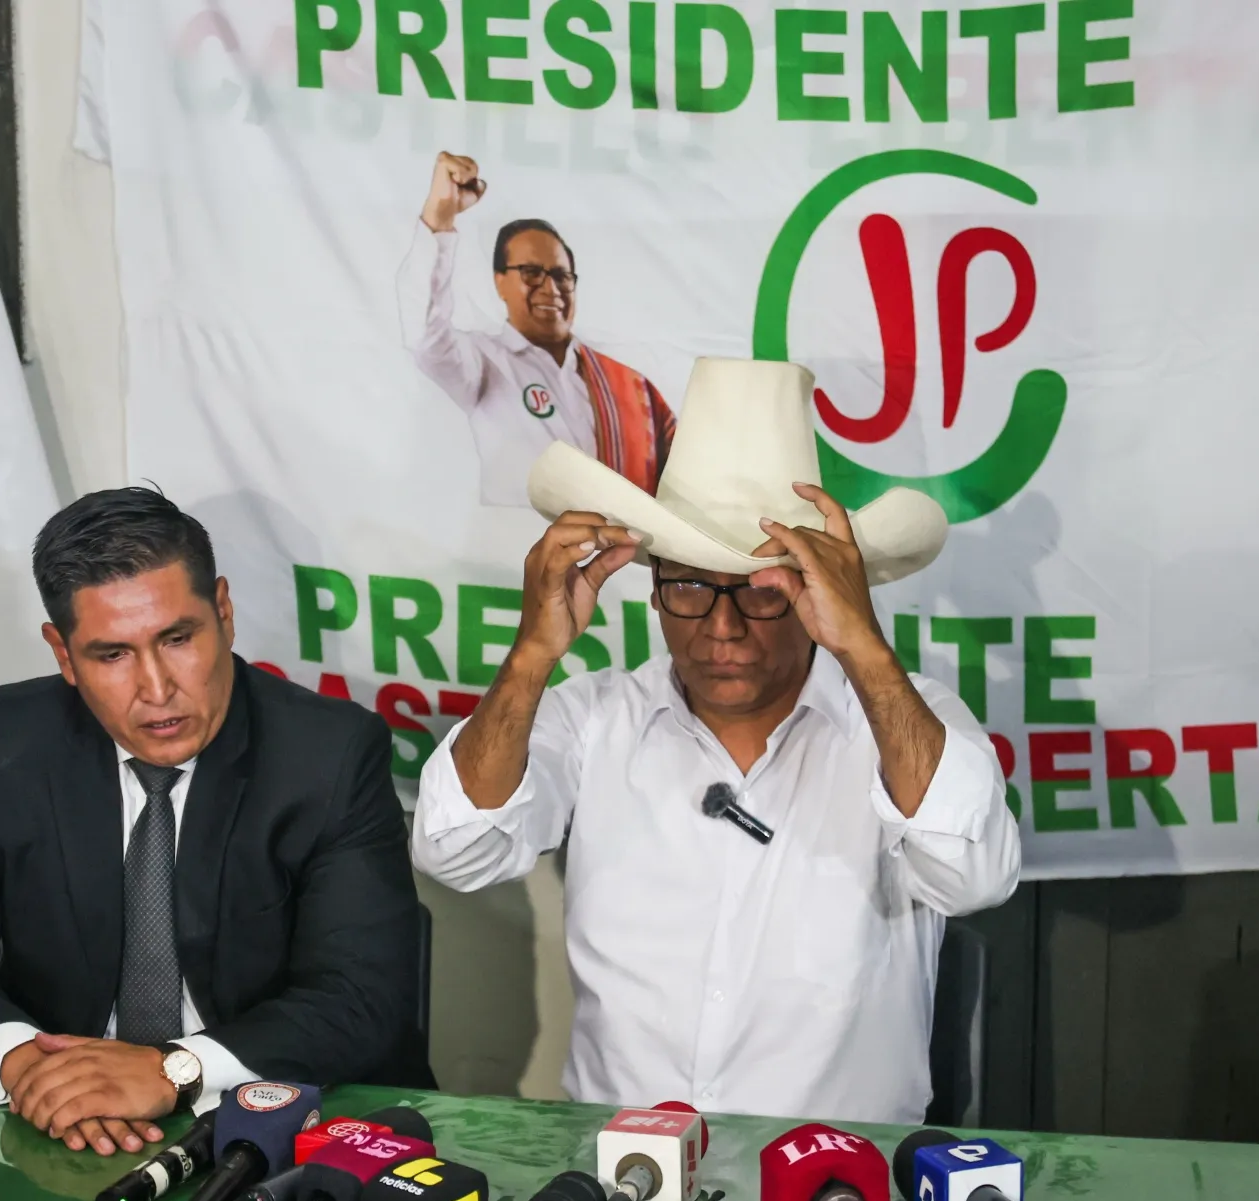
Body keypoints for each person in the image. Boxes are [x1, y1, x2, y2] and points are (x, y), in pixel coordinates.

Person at [411, 357, 1020, 1124]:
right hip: (622, 1188)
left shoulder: (906, 722)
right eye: (689, 586)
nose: (722, 628)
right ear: (654, 582)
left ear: (821, 593)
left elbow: (975, 877)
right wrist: (533, 653)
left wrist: (863, 647)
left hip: (839, 1197)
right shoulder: (596, 716)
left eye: (764, 592)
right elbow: (454, 847)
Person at [0, 487, 429, 1157]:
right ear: (63, 654)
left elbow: (362, 997)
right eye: (113, 655)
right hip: (67, 1130)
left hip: (283, 1128)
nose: (158, 688)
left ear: (222, 611)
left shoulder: (330, 754)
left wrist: (171, 1069)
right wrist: (30, 1067)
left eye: (177, 638)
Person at [398, 150, 677, 508]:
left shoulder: (623, 385)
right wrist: (439, 220)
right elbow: (424, 334)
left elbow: (680, 475)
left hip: (617, 559)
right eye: (531, 273)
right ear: (500, 282)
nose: (551, 288)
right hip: (518, 555)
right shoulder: (482, 362)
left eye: (562, 276)